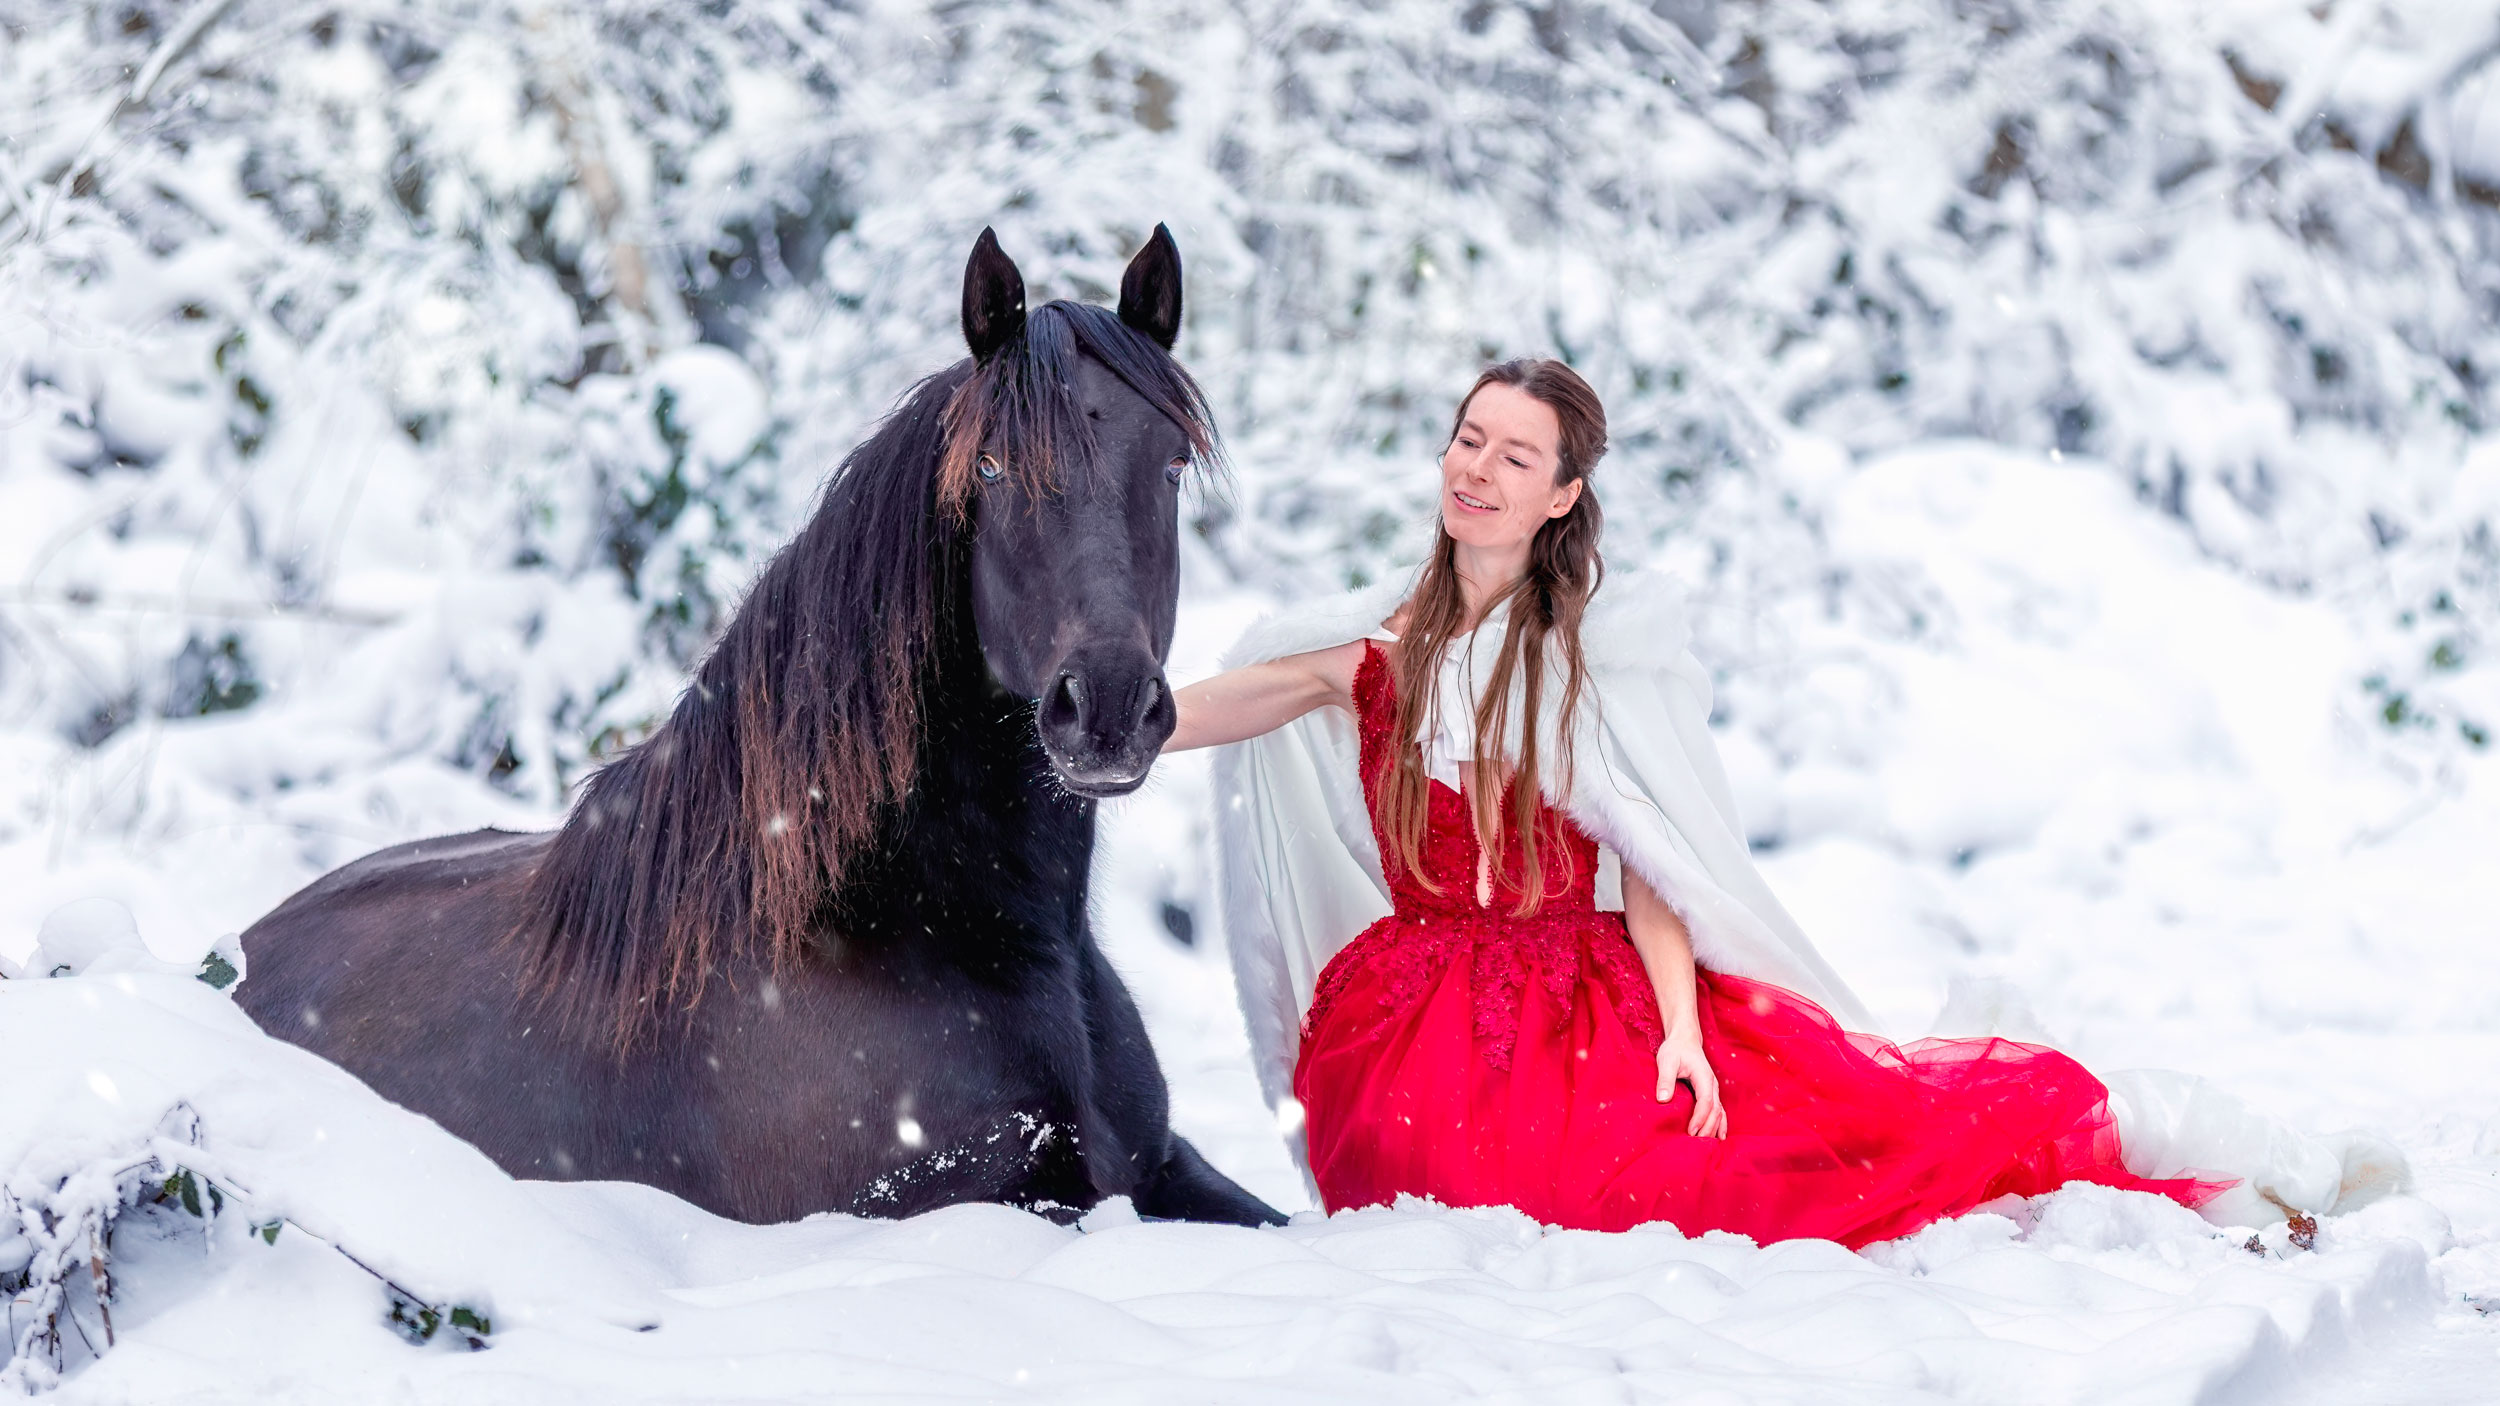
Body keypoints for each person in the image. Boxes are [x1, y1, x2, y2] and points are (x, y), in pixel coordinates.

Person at [1165, 358, 2385, 1248]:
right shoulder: (1373, 655)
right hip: (1410, 1023)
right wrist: (1098, 715)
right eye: (1467, 439)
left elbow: (1652, 861)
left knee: (1787, 1172)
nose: (1476, 469)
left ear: (1560, 498)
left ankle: (2198, 1166)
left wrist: (1685, 1030)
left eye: (1513, 454)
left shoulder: (1593, 666)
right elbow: (1228, 699)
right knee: (1429, 1207)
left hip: (1578, 1009)